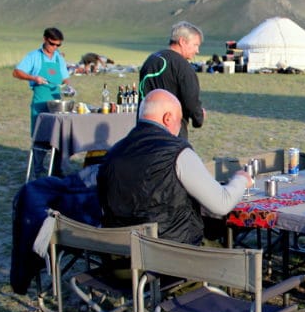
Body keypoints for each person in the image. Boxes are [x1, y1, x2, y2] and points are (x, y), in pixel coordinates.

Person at [97, 90, 251, 245]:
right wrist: (241, 180)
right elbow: (221, 203)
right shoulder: (177, 152)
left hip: (120, 254)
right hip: (171, 254)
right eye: (180, 120)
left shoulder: (113, 152)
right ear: (168, 118)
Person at [139, 21, 206, 139]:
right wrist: (199, 117)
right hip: (172, 130)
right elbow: (191, 100)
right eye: (195, 45)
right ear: (182, 42)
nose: (197, 51)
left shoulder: (151, 59)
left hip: (146, 128)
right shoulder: (183, 67)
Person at [13, 27, 71, 135]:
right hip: (40, 103)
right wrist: (34, 78)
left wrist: (68, 86)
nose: (55, 47)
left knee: (57, 137)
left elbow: (65, 78)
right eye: (52, 44)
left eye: (58, 45)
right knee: (39, 137)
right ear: (45, 39)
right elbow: (16, 72)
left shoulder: (59, 58)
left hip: (57, 106)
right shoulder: (34, 56)